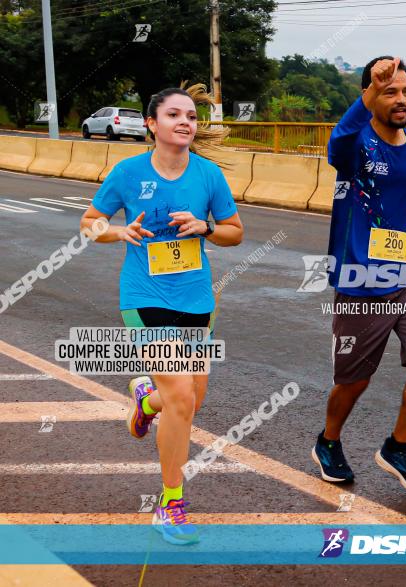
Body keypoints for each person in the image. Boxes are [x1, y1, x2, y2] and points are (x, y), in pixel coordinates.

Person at [79, 84, 244, 543]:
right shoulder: (128, 172)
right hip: (145, 296)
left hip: (196, 299)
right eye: (174, 115)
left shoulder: (208, 175)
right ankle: (170, 504)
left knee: (189, 399)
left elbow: (235, 232)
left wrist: (205, 227)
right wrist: (115, 233)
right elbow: (89, 221)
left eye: (191, 116)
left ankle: (144, 401)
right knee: (183, 399)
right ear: (152, 124)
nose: (185, 122)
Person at [312, 56, 406, 494]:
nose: (402, 99)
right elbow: (338, 143)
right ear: (370, 95)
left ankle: (398, 446)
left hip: (405, 277)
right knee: (354, 381)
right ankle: (328, 441)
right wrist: (367, 91)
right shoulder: (356, 144)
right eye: (390, 91)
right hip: (358, 280)